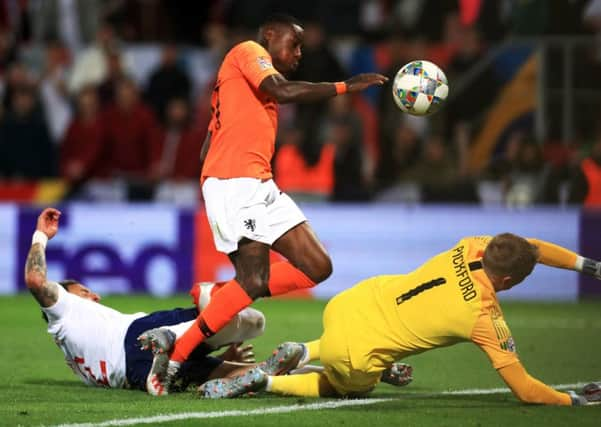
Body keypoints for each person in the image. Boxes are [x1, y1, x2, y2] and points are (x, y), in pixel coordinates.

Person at [144, 13, 389, 396]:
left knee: (317, 267)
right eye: (294, 44)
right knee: (255, 281)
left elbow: (212, 137)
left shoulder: (241, 85)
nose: (299, 53)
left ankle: (226, 293)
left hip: (257, 183)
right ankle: (177, 356)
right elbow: (284, 90)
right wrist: (345, 86)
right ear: (270, 36)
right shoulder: (248, 51)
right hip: (235, 183)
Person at [199, 233, 601, 406]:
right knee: (351, 390)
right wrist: (574, 400)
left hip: (350, 302)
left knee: (370, 336)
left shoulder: (473, 245)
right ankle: (265, 380)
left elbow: (531, 247)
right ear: (508, 281)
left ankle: (304, 349)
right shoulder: (484, 315)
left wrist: (588, 265)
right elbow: (528, 391)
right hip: (354, 353)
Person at [24, 208, 301, 393]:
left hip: (136, 374)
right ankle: (176, 329)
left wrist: (219, 356)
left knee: (236, 373)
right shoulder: (63, 313)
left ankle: (310, 375)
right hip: (137, 335)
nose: (93, 295)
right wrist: (41, 235)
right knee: (253, 321)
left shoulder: (79, 363)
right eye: (83, 292)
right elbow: (36, 281)